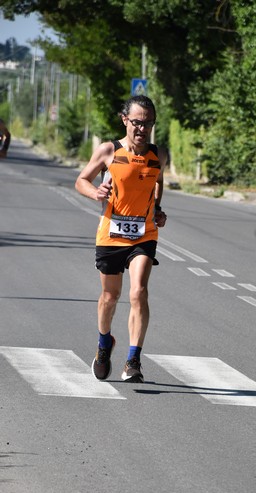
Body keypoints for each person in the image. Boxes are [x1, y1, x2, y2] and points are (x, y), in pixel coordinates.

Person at [75, 95, 167, 383]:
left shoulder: (159, 155)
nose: (142, 129)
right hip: (111, 234)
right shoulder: (108, 151)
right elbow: (81, 181)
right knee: (109, 297)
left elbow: (158, 181)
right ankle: (104, 344)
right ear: (124, 119)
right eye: (137, 123)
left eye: (148, 123)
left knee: (138, 292)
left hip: (143, 234)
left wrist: (159, 209)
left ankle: (133, 360)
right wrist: (96, 193)